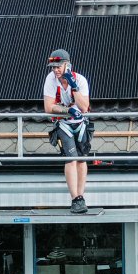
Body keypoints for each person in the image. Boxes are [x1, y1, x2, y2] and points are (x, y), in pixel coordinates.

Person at [43, 48, 92, 214]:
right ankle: (75, 198)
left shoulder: (80, 80)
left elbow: (84, 107)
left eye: (58, 66)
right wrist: (67, 111)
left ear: (67, 65)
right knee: (71, 158)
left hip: (81, 124)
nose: (55, 70)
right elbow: (48, 107)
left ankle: (81, 195)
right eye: (53, 67)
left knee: (81, 159)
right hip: (63, 123)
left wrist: (74, 86)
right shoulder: (51, 80)